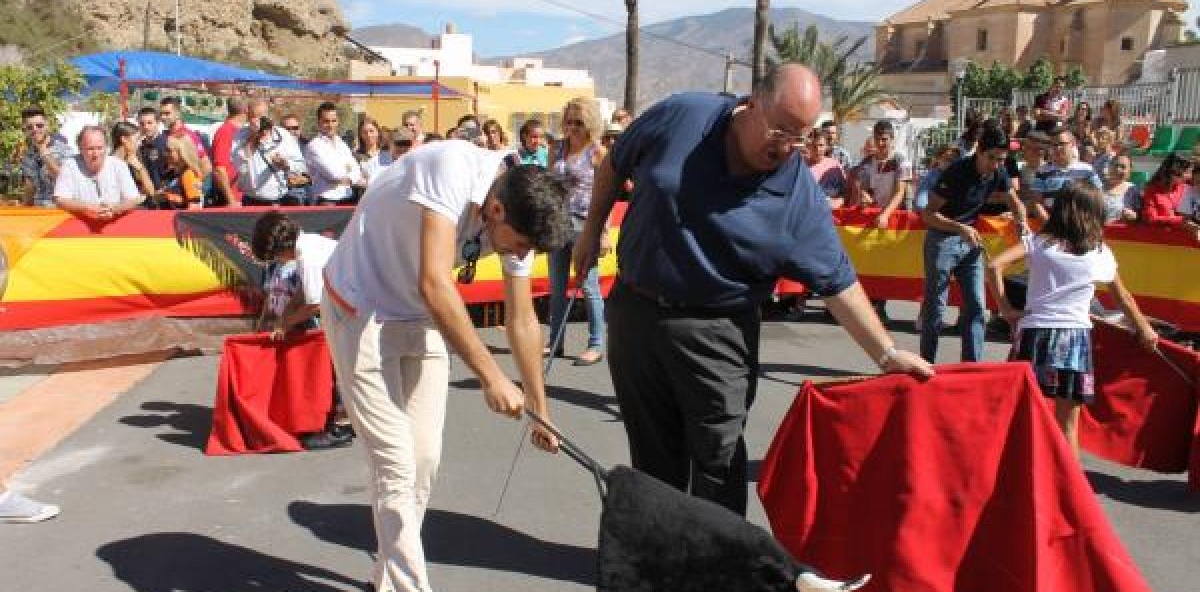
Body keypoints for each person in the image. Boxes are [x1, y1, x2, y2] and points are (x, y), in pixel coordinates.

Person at [570, 64, 934, 516]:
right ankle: (656, 559)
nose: (787, 147)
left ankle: (721, 566)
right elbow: (617, 161)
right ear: (751, 102)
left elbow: (838, 282)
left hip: (718, 333)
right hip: (635, 313)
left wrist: (885, 353)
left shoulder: (797, 193)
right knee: (652, 457)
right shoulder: (684, 115)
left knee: (717, 461)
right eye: (780, 129)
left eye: (800, 137)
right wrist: (591, 230)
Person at [321, 141, 572, 592]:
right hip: (360, 309)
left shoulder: (521, 212)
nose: (518, 256)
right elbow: (436, 282)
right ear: (495, 209)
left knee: (423, 460)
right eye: (516, 246)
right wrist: (492, 377)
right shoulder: (450, 168)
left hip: (417, 315)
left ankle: (389, 575)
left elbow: (521, 319)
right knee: (396, 465)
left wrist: (540, 410)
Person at [986, 182, 1158, 457]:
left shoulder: (1039, 243)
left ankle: (1023, 477)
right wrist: (1145, 328)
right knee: (1068, 424)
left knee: (1026, 413)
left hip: (1035, 333)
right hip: (1074, 337)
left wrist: (1006, 310)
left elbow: (994, 266)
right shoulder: (1098, 251)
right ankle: (1067, 490)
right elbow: (1122, 297)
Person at [918, 124, 1028, 363]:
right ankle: (926, 363)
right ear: (978, 150)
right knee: (936, 306)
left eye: (1001, 159)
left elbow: (1014, 201)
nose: (996, 164)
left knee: (977, 305)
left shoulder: (998, 172)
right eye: (991, 158)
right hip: (943, 239)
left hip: (971, 242)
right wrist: (959, 227)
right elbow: (928, 215)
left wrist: (1022, 223)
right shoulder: (956, 172)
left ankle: (972, 365)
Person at [251, 210, 351, 450]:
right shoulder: (309, 245)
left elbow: (315, 304)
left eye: (273, 255)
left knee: (341, 366)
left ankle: (342, 426)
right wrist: (285, 315)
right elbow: (304, 292)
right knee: (343, 366)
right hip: (352, 305)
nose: (275, 260)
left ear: (278, 249)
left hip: (355, 308)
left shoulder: (308, 255)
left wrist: (285, 323)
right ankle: (348, 419)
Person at [548, 97, 609, 366]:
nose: (572, 127)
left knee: (588, 285)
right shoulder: (558, 148)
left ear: (590, 124)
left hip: (586, 225)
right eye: (568, 121)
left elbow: (605, 193)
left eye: (579, 122)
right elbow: (549, 184)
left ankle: (596, 343)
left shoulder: (597, 151)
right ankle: (555, 341)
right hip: (558, 223)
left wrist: (602, 232)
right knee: (556, 285)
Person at [53, 126, 143, 222]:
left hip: (115, 223)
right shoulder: (70, 165)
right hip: (80, 224)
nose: (96, 154)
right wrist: (88, 207)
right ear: (80, 148)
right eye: (90, 149)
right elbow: (60, 200)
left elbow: (133, 199)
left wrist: (114, 209)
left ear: (106, 147)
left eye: (100, 148)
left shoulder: (119, 165)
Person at [1026, 127, 1102, 221]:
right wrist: (1050, 224)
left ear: (1073, 144)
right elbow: (1036, 202)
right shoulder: (1042, 171)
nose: (1057, 148)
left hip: (1081, 225)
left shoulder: (1088, 170)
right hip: (1052, 226)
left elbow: (1098, 199)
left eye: (1061, 144)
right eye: (1053, 145)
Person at [234, 116, 309, 207]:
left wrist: (285, 164)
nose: (264, 133)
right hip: (251, 200)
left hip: (279, 199)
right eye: (260, 130)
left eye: (295, 128)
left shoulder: (283, 135)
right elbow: (240, 169)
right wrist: (252, 140)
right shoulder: (241, 135)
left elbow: (301, 167)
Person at [306, 103, 363, 205]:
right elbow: (333, 174)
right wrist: (347, 172)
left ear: (338, 122)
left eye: (333, 121)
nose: (330, 125)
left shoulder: (342, 144)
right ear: (319, 122)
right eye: (326, 121)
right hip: (327, 200)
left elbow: (357, 170)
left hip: (348, 197)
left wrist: (348, 178)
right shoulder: (314, 146)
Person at [859, 120, 913, 228]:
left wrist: (885, 214)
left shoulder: (904, 162)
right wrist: (864, 195)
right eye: (877, 139)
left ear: (892, 139)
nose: (880, 143)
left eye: (884, 139)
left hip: (897, 216)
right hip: (874, 215)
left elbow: (900, 192)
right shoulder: (866, 162)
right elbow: (863, 188)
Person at [18, 106, 75, 207]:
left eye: (39, 125)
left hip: (60, 212)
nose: (35, 130)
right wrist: (22, 210)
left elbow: (66, 181)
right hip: (38, 214)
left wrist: (44, 153)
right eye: (30, 127)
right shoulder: (28, 155)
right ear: (25, 130)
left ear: (47, 125)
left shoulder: (64, 150)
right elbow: (30, 188)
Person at [1140, 152, 1199, 239]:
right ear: (1174, 171)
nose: (1190, 177)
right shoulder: (1152, 190)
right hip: (1160, 239)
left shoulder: (1186, 187)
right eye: (1187, 172)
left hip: (1184, 239)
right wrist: (1179, 220)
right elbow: (1150, 218)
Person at [209, 97, 248, 206]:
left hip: (243, 196)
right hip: (232, 199)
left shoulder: (241, 132)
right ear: (246, 110)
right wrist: (231, 199)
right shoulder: (225, 132)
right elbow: (219, 169)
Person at [156, 133, 205, 210]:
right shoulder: (172, 173)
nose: (165, 154)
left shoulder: (189, 174)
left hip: (179, 220)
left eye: (169, 150)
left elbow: (195, 207)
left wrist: (170, 197)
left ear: (181, 153)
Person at [110, 121, 156, 201]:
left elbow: (151, 191)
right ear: (124, 139)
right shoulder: (109, 163)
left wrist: (140, 169)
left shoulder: (135, 159)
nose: (139, 143)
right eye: (136, 139)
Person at [804, 128, 846, 208]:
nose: (817, 149)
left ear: (827, 146)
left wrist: (839, 201)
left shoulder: (835, 166)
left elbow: (845, 192)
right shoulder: (801, 167)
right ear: (808, 146)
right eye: (814, 145)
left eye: (821, 145)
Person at [913, 144, 959, 211]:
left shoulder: (959, 178)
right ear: (938, 159)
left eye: (954, 160)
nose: (950, 163)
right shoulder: (928, 177)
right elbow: (920, 204)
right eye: (947, 158)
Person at [1102, 154, 1141, 224]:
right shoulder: (1098, 187)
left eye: (1123, 167)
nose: (1118, 169)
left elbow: (1141, 216)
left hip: (1121, 233)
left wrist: (1134, 216)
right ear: (1109, 167)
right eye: (1116, 165)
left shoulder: (1133, 190)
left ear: (1129, 171)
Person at [356, 116, 392, 185]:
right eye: (364, 132)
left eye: (371, 131)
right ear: (360, 135)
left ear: (377, 132)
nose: (368, 135)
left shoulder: (385, 155)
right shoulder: (356, 156)